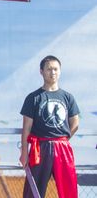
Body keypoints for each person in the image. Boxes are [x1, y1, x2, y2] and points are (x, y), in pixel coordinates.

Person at [19, 55, 80, 198]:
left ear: (60, 71)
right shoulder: (33, 97)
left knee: (69, 188)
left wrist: (62, 139)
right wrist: (24, 152)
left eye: (55, 69)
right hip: (40, 148)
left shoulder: (68, 97)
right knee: (33, 189)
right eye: (49, 69)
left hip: (62, 147)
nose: (53, 72)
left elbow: (75, 123)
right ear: (41, 72)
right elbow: (26, 128)